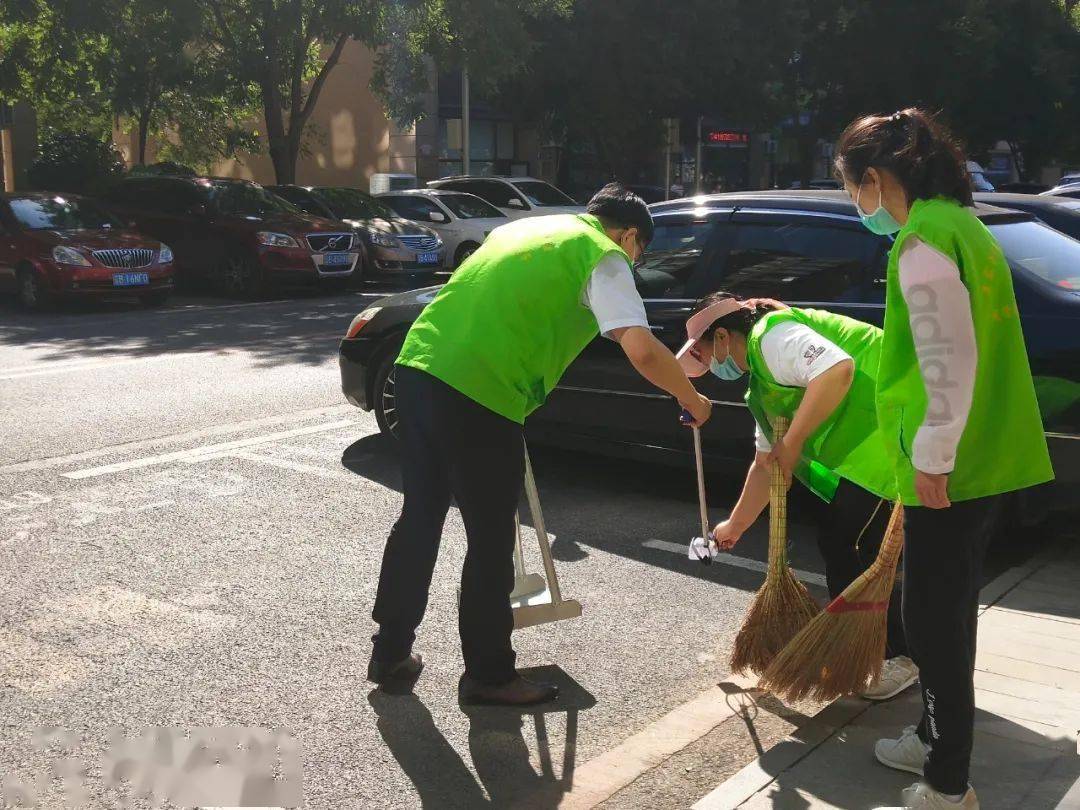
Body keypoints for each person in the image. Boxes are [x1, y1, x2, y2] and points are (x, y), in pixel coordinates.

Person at [367, 184, 713, 706]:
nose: (635, 263)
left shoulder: (527, 230)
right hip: (480, 392)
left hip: (418, 369)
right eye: (639, 252)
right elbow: (640, 349)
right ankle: (488, 675)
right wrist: (691, 396)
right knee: (489, 538)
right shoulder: (603, 254)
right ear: (631, 235)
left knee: (421, 515)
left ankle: (390, 650)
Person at [834, 108, 1054, 810]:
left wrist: (930, 458)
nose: (854, 204)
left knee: (930, 619)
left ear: (875, 178)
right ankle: (932, 739)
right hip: (986, 455)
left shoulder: (922, 242)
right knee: (950, 611)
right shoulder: (966, 227)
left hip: (952, 467)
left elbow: (945, 359)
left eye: (850, 188)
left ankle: (947, 783)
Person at [676, 292, 916, 700]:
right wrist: (734, 526)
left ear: (722, 336)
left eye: (705, 355)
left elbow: (837, 369)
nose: (713, 368)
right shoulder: (761, 387)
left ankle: (900, 657)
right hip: (868, 450)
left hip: (894, 433)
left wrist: (797, 439)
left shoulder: (771, 337)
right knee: (844, 546)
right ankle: (869, 652)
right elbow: (767, 464)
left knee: (857, 548)